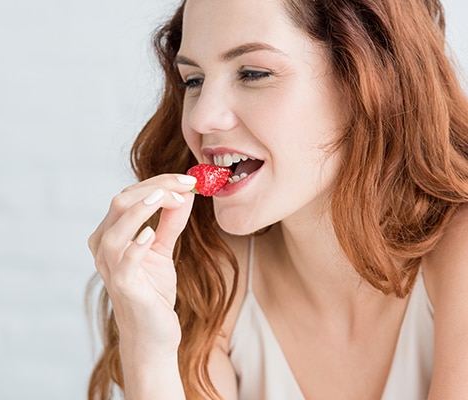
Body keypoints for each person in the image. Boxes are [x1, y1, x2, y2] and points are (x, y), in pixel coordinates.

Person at [87, 0, 468, 398]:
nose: (201, 119)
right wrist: (148, 347)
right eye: (193, 80)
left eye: (253, 73)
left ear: (368, 79)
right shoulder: (209, 270)